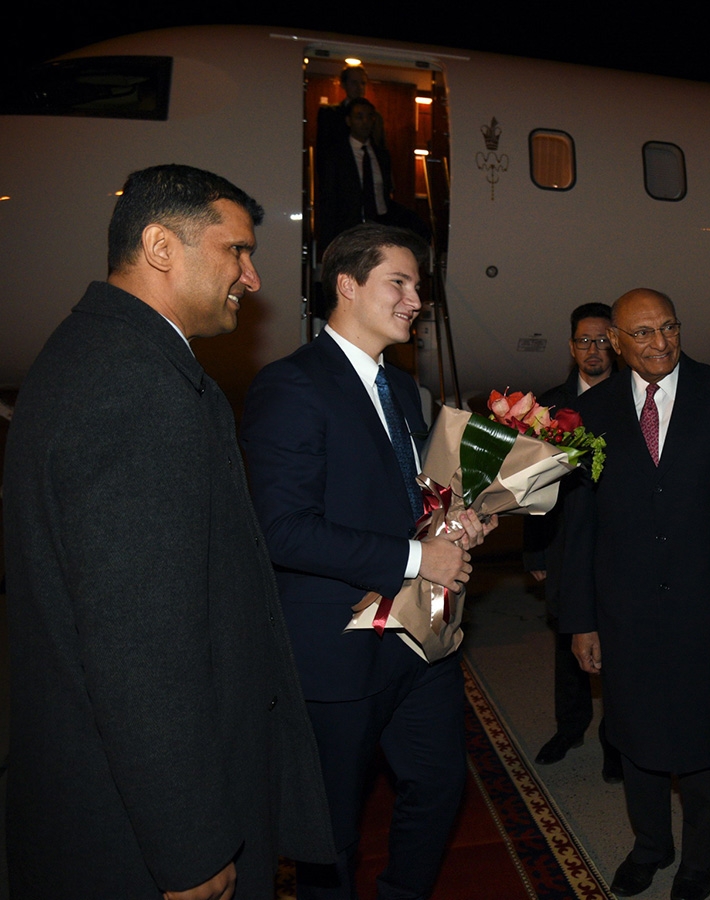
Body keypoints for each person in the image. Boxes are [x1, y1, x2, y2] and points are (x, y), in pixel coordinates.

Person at [3, 163, 333, 899]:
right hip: (140, 830)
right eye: (235, 252)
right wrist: (189, 845)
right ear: (160, 247)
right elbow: (139, 650)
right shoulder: (136, 388)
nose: (250, 278)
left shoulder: (98, 350)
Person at [240, 223, 495, 900]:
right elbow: (282, 530)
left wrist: (457, 521)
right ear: (347, 286)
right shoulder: (292, 386)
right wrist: (419, 557)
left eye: (419, 286)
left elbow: (408, 500)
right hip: (337, 651)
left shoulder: (405, 392)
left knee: (439, 787)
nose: (417, 300)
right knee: (332, 829)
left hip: (419, 643)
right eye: (399, 282)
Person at [559, 289, 710, 900]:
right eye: (644, 333)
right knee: (635, 736)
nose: (660, 343)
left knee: (704, 744)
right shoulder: (590, 413)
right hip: (624, 612)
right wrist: (581, 620)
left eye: (669, 328)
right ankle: (651, 845)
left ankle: (700, 861)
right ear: (617, 344)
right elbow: (581, 526)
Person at [524, 301, 623, 781]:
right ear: (570, 347)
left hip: (621, 545)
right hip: (564, 543)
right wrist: (536, 548)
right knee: (569, 641)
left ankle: (615, 740)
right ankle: (570, 727)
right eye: (584, 341)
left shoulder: (633, 401)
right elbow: (530, 482)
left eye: (603, 340)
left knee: (620, 646)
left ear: (617, 344)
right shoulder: (550, 405)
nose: (593, 350)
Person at [316, 98, 429, 255]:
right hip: (348, 227)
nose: (365, 122)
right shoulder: (336, 155)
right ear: (349, 121)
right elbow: (329, 197)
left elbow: (384, 191)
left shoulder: (381, 154)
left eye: (369, 117)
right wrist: (327, 240)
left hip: (379, 224)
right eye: (359, 117)